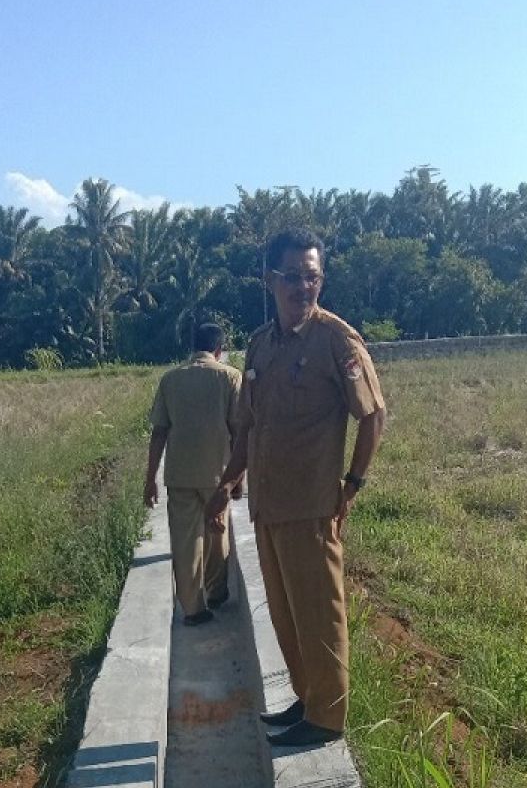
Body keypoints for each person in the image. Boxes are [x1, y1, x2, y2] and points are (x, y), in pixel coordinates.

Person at [205, 227, 386, 747]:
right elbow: (247, 426)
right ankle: (307, 700)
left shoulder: (336, 340)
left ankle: (327, 720)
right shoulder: (261, 347)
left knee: (320, 615)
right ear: (270, 280)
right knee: (286, 615)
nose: (302, 287)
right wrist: (228, 482)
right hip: (267, 506)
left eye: (312, 277)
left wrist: (351, 484)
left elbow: (372, 416)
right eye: (292, 277)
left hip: (312, 507)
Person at [145, 322, 243, 626]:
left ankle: (192, 609)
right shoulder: (229, 377)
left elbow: (159, 432)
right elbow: (239, 431)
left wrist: (150, 479)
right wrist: (238, 480)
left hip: (180, 475)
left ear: (192, 347)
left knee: (186, 543)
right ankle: (216, 591)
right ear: (219, 349)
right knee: (217, 534)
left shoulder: (170, 380)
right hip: (218, 475)